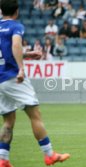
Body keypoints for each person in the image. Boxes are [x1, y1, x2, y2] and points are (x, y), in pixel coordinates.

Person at [0, 1, 70, 166]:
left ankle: (3, 159)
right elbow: (16, 44)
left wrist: (28, 54)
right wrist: (22, 69)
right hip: (12, 77)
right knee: (35, 114)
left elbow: (7, 50)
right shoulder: (15, 26)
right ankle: (49, 154)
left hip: (0, 80)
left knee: (8, 120)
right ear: (17, 11)